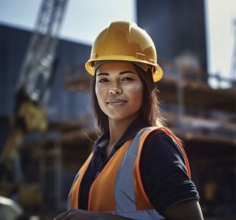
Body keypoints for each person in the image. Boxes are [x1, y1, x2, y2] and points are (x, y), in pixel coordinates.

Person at [54, 21, 203, 220]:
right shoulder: (97, 155)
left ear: (145, 86)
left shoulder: (155, 145)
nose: (114, 88)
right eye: (104, 79)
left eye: (126, 79)